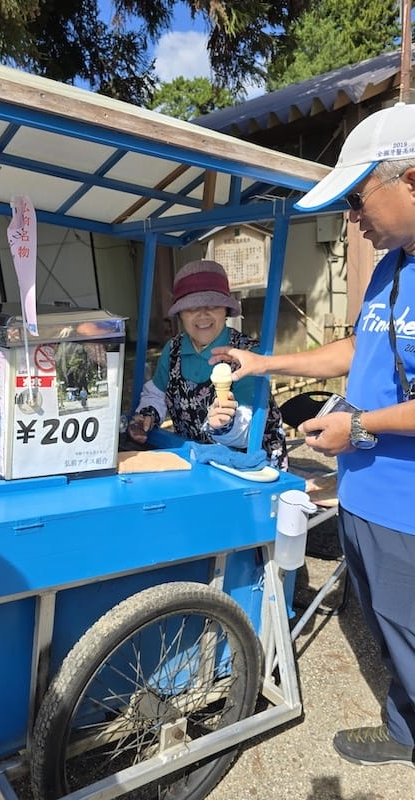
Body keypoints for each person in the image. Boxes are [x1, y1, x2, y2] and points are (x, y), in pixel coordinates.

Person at [211, 102, 415, 769]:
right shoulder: (392, 265)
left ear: (410, 179)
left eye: (358, 199)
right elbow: (360, 349)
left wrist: (358, 425)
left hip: (407, 506)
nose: (353, 219)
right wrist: (265, 364)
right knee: (390, 627)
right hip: (366, 493)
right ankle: (406, 728)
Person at [128, 259, 287, 468]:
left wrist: (225, 423)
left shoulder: (247, 353)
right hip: (195, 462)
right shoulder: (173, 350)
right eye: (191, 308)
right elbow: (157, 394)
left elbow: (250, 430)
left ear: (226, 310)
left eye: (212, 305)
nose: (202, 315)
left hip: (251, 467)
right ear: (180, 314)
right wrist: (147, 415)